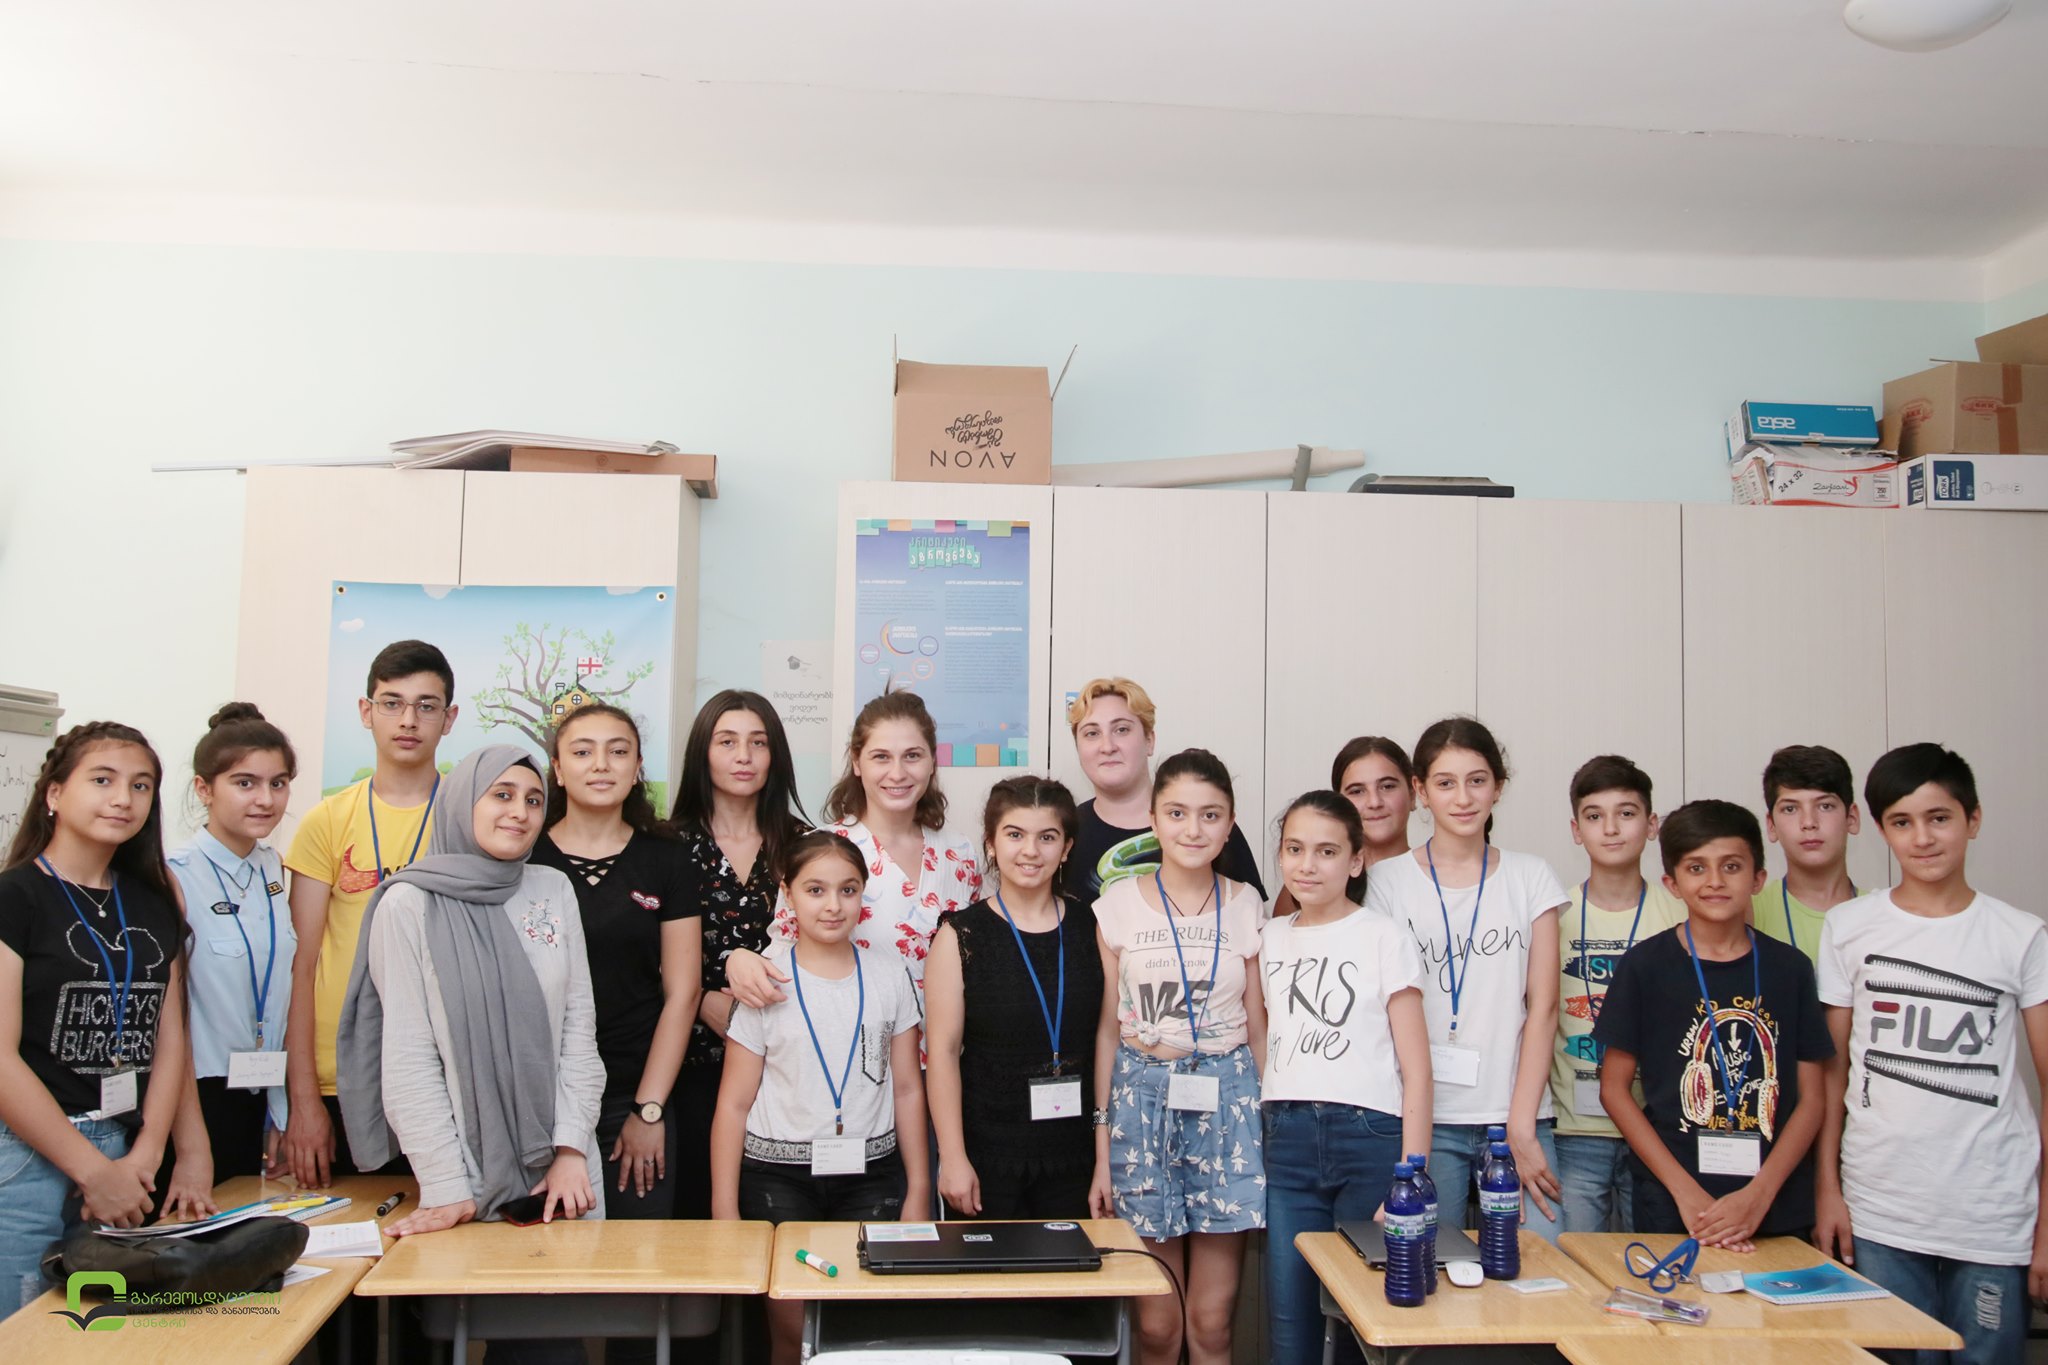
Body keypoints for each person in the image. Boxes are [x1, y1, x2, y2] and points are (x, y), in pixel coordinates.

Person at [1814, 744, 2048, 1363]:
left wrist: (2047, 1226)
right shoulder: (1849, 926)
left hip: (1993, 1213)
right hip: (1880, 1209)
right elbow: (1831, 1074)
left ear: (1973, 819)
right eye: (1902, 821)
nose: (1921, 838)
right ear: (1882, 830)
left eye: (1939, 818)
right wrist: (1827, 1189)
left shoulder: (2021, 935)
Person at [710, 831, 927, 1365]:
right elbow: (733, 1104)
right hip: (778, 1181)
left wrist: (919, 1188)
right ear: (787, 894)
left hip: (871, 1176)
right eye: (815, 890)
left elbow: (907, 1089)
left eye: (847, 890)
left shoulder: (889, 973)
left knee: (859, 1332)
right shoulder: (765, 979)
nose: (833, 905)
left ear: (862, 895)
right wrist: (723, 1209)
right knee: (793, 1331)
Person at [0, 722, 192, 1316]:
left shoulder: (154, 899)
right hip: (24, 1153)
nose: (123, 798)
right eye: (103, 780)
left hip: (124, 1146)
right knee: (22, 1330)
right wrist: (92, 1173)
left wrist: (145, 1157)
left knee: (94, 1331)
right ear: (55, 793)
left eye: (140, 786)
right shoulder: (15, 897)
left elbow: (169, 1041)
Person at [1090, 748, 1266, 1365]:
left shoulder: (1248, 904)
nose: (1193, 829)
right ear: (1154, 820)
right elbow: (1106, 1031)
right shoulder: (1116, 906)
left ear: (1230, 823)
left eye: (1210, 815)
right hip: (1140, 1101)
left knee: (1212, 1325)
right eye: (1177, 813)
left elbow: (1260, 1026)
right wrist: (1101, 1150)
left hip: (1229, 1101)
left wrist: (1268, 1125)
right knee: (1159, 1326)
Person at [1595, 799, 1833, 1248]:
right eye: (1696, 868)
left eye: (1732, 866)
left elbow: (1812, 1099)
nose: (1716, 881)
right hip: (1674, 1204)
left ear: (1758, 878)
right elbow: (1614, 1089)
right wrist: (1685, 1194)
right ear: (1672, 883)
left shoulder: (1790, 969)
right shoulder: (1644, 967)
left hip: (1774, 1205)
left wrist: (1760, 1195)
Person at [1365, 717, 1567, 1240]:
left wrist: (1521, 1123)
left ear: (1498, 787)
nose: (1462, 798)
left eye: (1477, 781)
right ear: (1421, 791)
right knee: (1432, 1267)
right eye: (1445, 782)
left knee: (1541, 1267)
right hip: (1427, 1122)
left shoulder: (1531, 877)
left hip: (1517, 1114)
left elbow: (1544, 1007)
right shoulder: (1385, 883)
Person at [1261, 791, 1431, 1365]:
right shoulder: (1269, 937)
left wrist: (1412, 1175)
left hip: (1371, 1139)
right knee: (1291, 1320)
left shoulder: (1384, 935)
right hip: (1286, 1141)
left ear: (1356, 861)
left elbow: (1417, 1070)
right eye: (1294, 849)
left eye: (1327, 851)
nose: (1307, 865)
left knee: (1365, 1318)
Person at [529, 705, 700, 1267]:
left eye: (618, 751)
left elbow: (683, 993)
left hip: (635, 1095)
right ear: (557, 770)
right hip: (540, 1102)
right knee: (543, 1270)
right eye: (582, 752)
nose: (601, 764)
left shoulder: (666, 858)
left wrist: (649, 1111)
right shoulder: (525, 856)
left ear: (638, 767)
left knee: (638, 1268)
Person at [283, 639, 457, 1188]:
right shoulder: (327, 821)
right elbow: (301, 967)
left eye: (426, 706)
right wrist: (303, 1101)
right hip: (341, 1077)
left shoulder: (471, 820)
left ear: (449, 718)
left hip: (442, 1075)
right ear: (366, 711)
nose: (408, 720)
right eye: (391, 703)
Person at [724, 690, 979, 1009]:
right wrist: (740, 961)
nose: (897, 773)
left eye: (912, 755)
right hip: (849, 1036)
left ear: (932, 762)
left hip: (948, 1039)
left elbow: (980, 956)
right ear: (857, 762)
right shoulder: (819, 851)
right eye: (881, 757)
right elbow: (783, 957)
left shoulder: (960, 852)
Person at [926, 776, 1102, 1220]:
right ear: (991, 843)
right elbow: (942, 1053)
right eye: (1015, 834)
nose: (1030, 851)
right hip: (987, 1162)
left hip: (1078, 1160)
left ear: (1066, 848)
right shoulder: (960, 935)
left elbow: (1108, 1042)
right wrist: (952, 1157)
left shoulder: (1093, 926)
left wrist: (1106, 1153)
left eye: (1047, 837)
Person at [665, 691, 811, 1220]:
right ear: (702, 753)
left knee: (780, 1218)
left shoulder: (804, 844)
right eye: (727, 742)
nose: (744, 756)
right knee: (702, 1212)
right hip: (692, 1060)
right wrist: (702, 997)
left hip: (787, 1064)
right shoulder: (666, 845)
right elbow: (639, 954)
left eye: (758, 743)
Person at [162, 703, 298, 1196]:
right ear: (204, 789)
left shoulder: (272, 867)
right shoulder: (174, 875)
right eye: (245, 783)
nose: (265, 799)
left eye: (278, 783)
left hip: (257, 1089)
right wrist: (190, 1144)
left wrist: (279, 1109)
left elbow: (278, 991)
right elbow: (168, 1020)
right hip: (192, 1097)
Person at [1551, 754, 1685, 1234]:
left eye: (1626, 813)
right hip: (1573, 1129)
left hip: (1656, 1128)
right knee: (1570, 1264)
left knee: (1649, 1264)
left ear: (1651, 824)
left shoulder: (1681, 913)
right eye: (1594, 816)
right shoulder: (1555, 913)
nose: (1610, 829)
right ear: (1576, 829)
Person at [1065, 678, 1265, 902]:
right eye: (1092, 733)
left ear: (1149, 740)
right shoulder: (1065, 830)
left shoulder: (1208, 822)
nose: (1107, 746)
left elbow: (1251, 912)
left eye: (1121, 730)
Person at [1272, 735, 1416, 918]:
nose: (1374, 802)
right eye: (1357, 791)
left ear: (1413, 794)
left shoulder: (1432, 877)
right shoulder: (1308, 880)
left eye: (1387, 787)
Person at [1753, 744, 1862, 967]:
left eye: (1825, 806)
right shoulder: (1748, 912)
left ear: (1851, 818)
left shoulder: (1884, 913)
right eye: (1790, 809)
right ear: (1771, 825)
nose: (1809, 822)